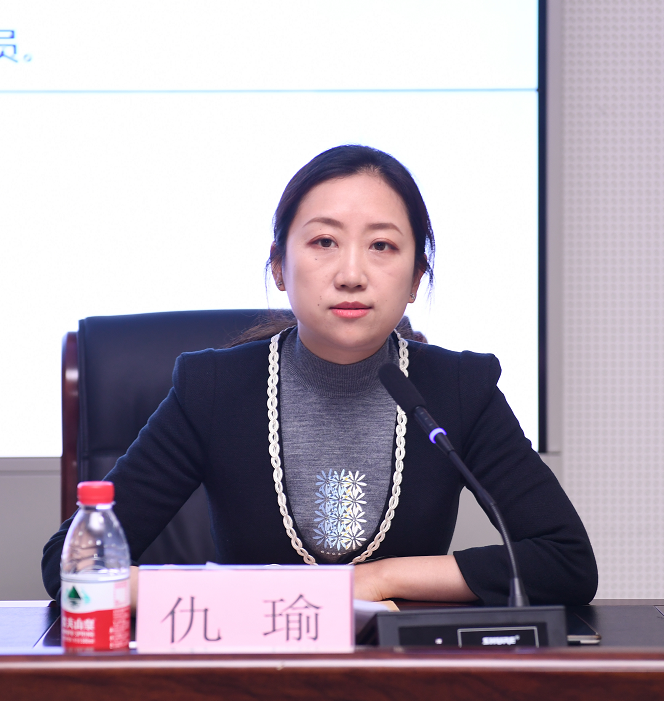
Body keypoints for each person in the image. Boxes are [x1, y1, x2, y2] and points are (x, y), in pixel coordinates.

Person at [42, 145, 598, 606]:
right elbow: (71, 564)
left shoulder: (457, 388)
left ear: (415, 279)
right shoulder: (213, 389)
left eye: (382, 246)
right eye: (324, 242)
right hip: (252, 676)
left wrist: (378, 579)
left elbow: (565, 561)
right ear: (279, 267)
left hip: (399, 679)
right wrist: (237, 593)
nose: (351, 274)